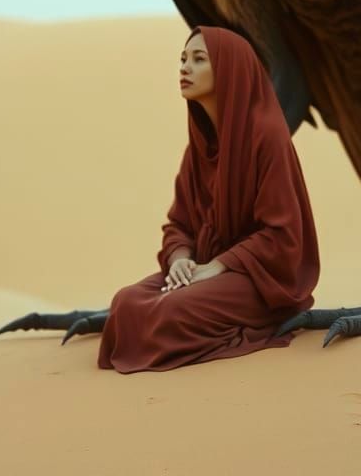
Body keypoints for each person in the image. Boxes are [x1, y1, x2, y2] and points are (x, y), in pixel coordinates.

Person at [97, 25, 321, 373]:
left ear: (229, 68)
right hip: (203, 270)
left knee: (170, 311)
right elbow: (179, 224)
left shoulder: (267, 137)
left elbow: (282, 236)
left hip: (259, 280)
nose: (184, 68)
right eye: (183, 59)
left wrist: (216, 266)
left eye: (199, 60)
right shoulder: (200, 146)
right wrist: (181, 261)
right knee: (125, 303)